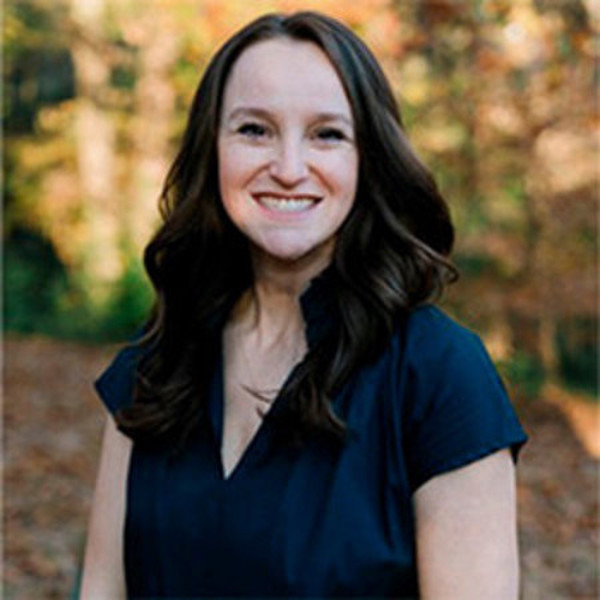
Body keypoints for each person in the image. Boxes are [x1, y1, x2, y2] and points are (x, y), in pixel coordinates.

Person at [80, 11, 527, 599]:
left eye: (327, 134)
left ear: (369, 158)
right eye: (254, 130)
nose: (288, 169)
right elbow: (102, 590)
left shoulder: (440, 374)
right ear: (211, 149)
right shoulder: (156, 364)